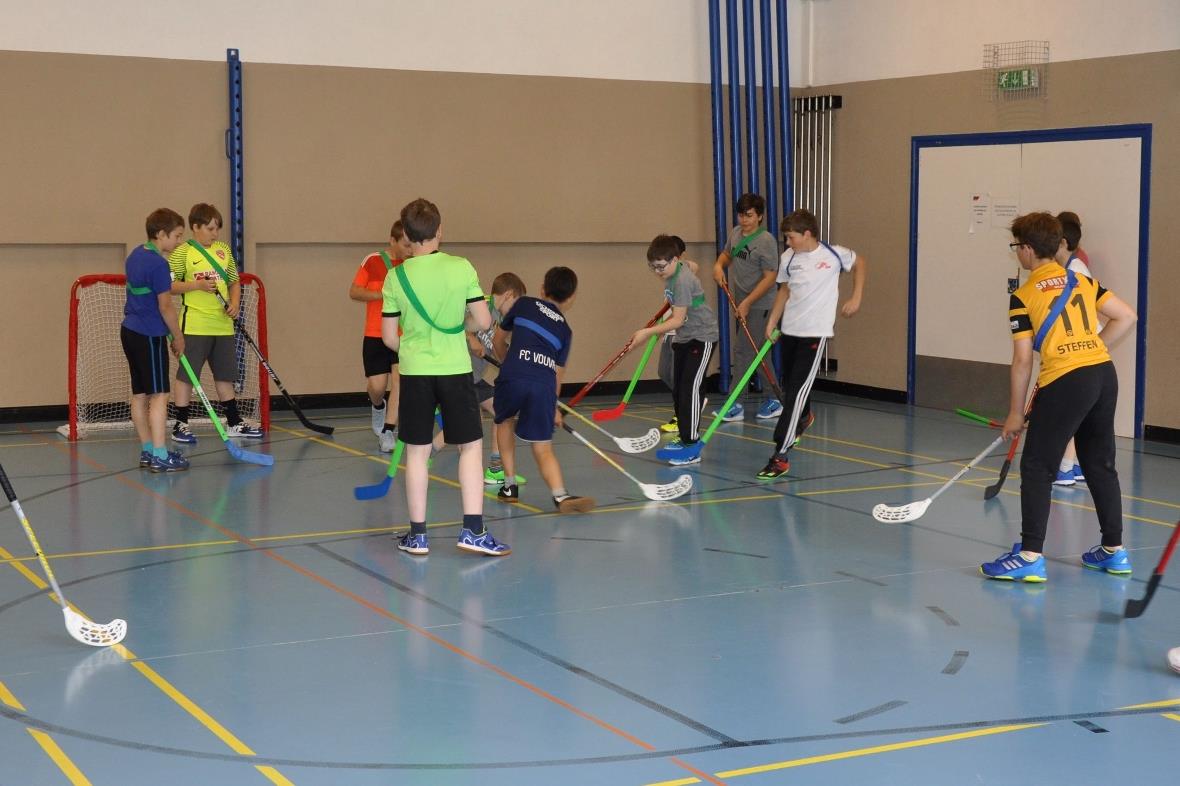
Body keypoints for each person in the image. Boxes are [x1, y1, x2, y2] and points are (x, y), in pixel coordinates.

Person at [980, 212, 1137, 582]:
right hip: (1103, 374)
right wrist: (1093, 347)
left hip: (1066, 380)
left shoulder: (1023, 296)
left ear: (1028, 249)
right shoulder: (1080, 280)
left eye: (1016, 246)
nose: (1017, 252)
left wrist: (1015, 412)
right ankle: (1113, 551)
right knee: (1099, 463)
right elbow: (1127, 316)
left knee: (1037, 466)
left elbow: (1022, 361)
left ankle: (1030, 556)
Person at [381, 198, 508, 556]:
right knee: (470, 446)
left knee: (417, 452)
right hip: (455, 369)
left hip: (415, 372)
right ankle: (473, 530)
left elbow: (389, 338)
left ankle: (418, 536)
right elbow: (484, 321)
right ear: (440, 231)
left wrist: (414, 346)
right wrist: (458, 327)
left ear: (407, 236)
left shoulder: (395, 276)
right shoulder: (461, 267)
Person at [757, 209, 865, 480]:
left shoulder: (833, 254)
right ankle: (804, 417)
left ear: (807, 234)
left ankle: (780, 455)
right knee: (791, 388)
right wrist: (772, 322)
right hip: (789, 331)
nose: (788, 242)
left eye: (791, 237)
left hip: (814, 334)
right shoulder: (789, 257)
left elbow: (860, 263)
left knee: (795, 394)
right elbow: (784, 290)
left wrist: (856, 297)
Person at [492, 267, 594, 512]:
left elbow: (498, 340)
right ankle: (560, 495)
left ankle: (509, 485)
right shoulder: (565, 331)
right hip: (544, 386)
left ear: (542, 289)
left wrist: (508, 362)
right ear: (570, 298)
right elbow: (558, 374)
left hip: (513, 376)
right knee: (543, 446)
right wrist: (553, 407)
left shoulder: (524, 304)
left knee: (504, 421)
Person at [168, 203, 263, 444]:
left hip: (222, 325)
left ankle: (233, 422)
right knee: (187, 376)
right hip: (195, 324)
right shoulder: (182, 252)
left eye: (217, 228)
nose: (215, 233)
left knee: (224, 375)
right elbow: (168, 286)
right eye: (210, 228)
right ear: (195, 227)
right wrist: (196, 285)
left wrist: (235, 303)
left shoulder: (224, 250)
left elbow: (234, 281)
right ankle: (181, 424)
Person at [430, 272, 528, 488]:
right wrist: (471, 337)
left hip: (474, 377)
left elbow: (502, 349)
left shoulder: (504, 320)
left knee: (502, 412)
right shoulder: (481, 305)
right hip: (457, 373)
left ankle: (495, 469)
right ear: (508, 295)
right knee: (463, 426)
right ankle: (425, 454)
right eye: (516, 303)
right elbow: (453, 323)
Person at [631, 234, 719, 466]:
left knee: (689, 389)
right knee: (679, 389)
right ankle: (685, 435)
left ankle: (691, 445)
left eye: (661, 266)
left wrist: (647, 332)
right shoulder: (677, 270)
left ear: (674, 260)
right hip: (684, 337)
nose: (657, 272)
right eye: (653, 267)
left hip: (701, 337)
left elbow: (677, 320)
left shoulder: (680, 281)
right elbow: (693, 265)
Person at [122, 209, 189, 472]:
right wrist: (178, 337)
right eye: (177, 236)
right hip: (149, 335)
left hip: (129, 331)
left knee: (140, 395)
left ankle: (148, 450)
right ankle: (160, 455)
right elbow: (166, 306)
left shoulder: (135, 255)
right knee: (160, 395)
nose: (179, 242)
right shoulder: (159, 264)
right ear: (161, 234)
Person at [711, 193, 781, 422]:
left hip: (761, 304)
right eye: (741, 215)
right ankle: (775, 399)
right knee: (758, 352)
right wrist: (719, 266)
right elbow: (727, 254)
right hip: (741, 301)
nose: (744, 220)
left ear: (759, 216)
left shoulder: (766, 241)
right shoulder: (735, 233)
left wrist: (748, 302)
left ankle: (735, 403)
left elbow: (770, 277)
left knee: (743, 351)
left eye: (749, 215)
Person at [350, 220, 412, 453]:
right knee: (377, 387)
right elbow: (354, 291)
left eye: (412, 245)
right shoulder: (373, 260)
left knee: (399, 381)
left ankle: (388, 430)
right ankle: (378, 406)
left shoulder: (413, 265)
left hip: (402, 334)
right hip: (375, 334)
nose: (409, 249)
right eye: (405, 245)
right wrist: (383, 295)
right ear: (392, 241)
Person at [1052, 210, 1093, 486]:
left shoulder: (1074, 272)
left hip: (1079, 350)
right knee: (1078, 412)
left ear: (1064, 242)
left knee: (1069, 413)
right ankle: (1076, 465)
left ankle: (1065, 467)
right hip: (1082, 347)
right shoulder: (1073, 266)